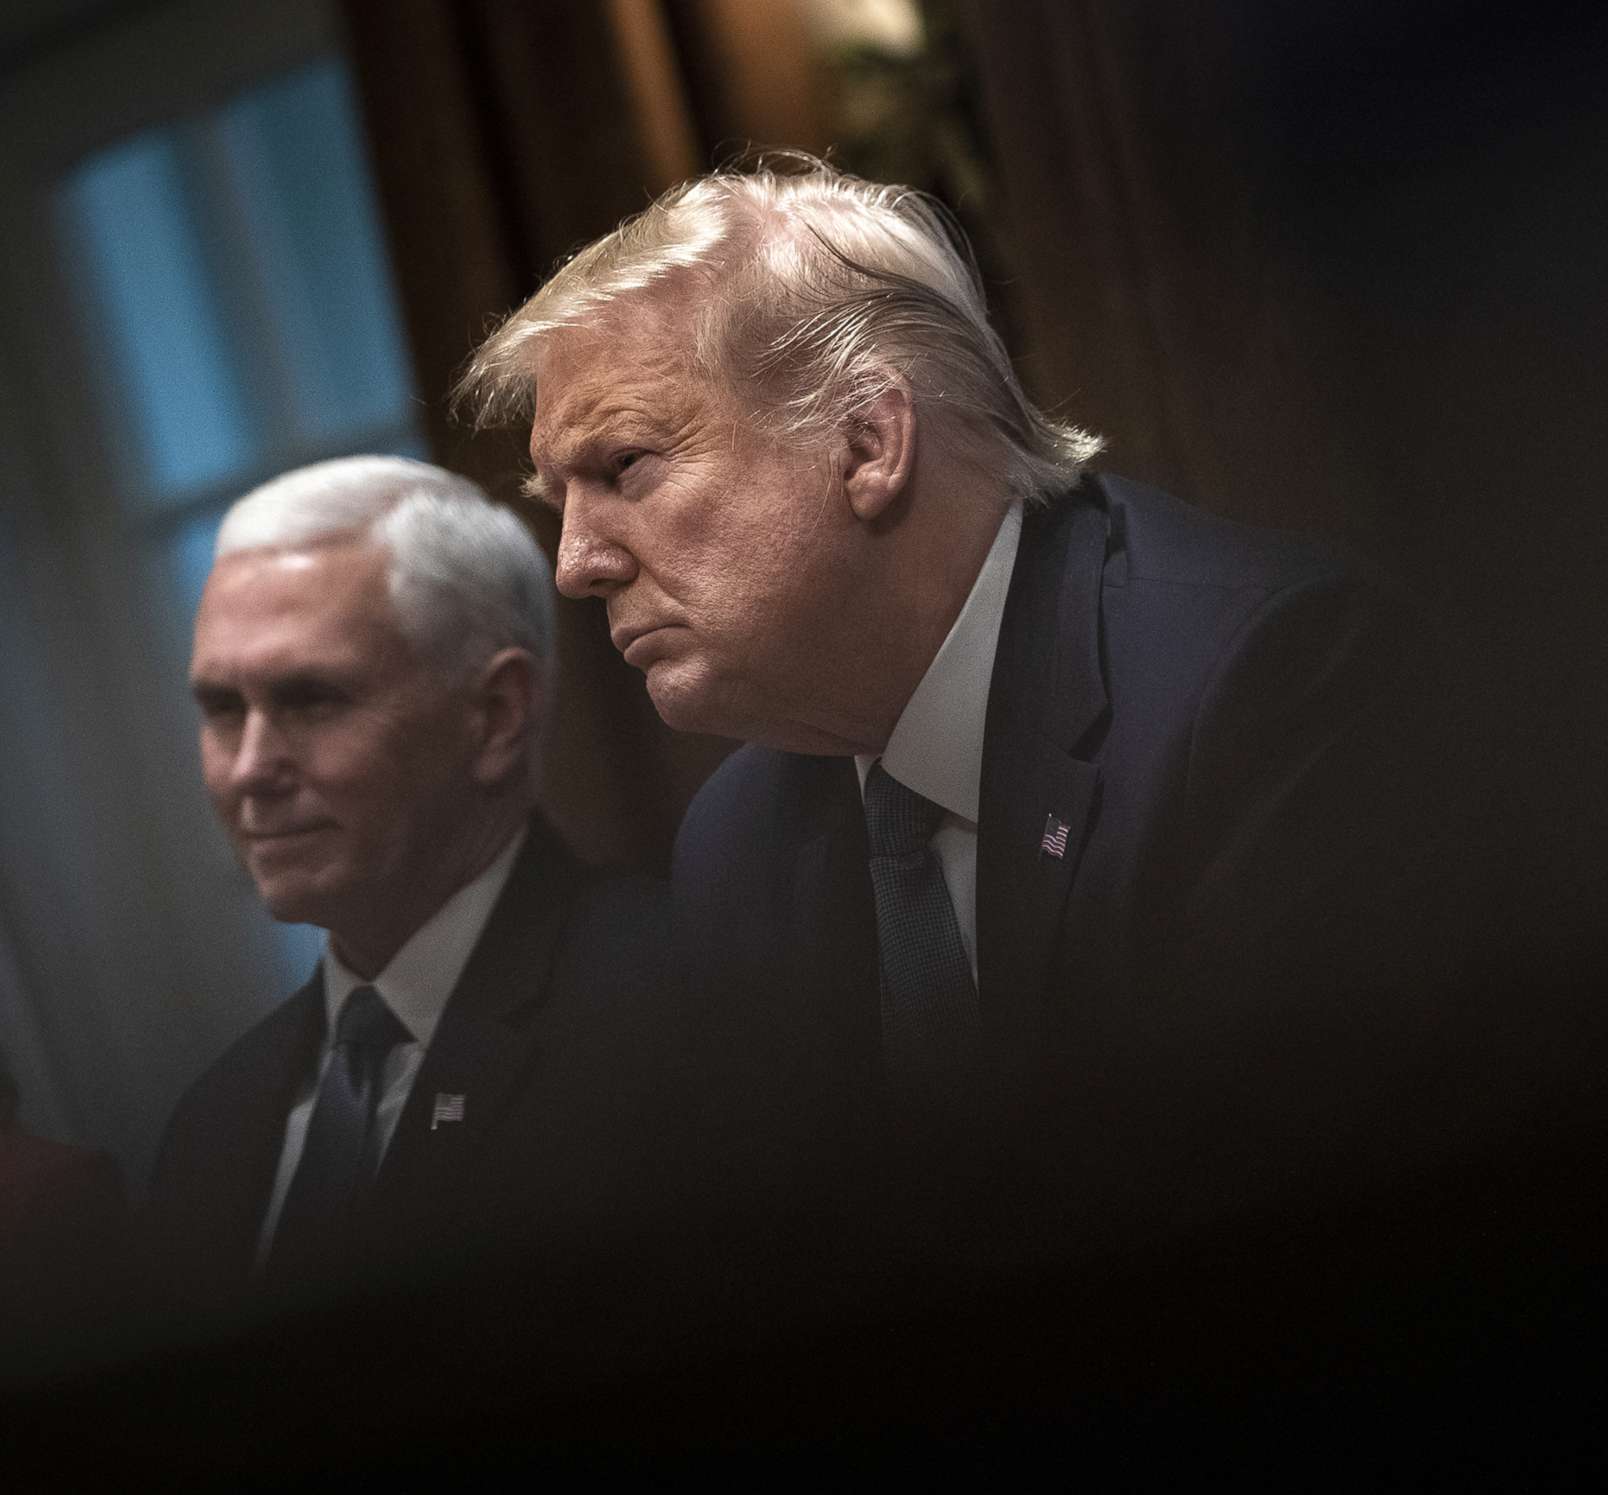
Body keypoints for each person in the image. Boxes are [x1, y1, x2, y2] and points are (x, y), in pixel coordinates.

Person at [455, 159, 1446, 1266]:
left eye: (626, 466)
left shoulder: (1262, 687)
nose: (576, 566)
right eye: (560, 504)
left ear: (869, 442)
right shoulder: (738, 845)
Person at [142, 457, 677, 1315]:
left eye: (311, 700)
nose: (250, 771)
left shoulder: (694, 1005)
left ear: (496, 715)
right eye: (222, 711)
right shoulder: (211, 1129)